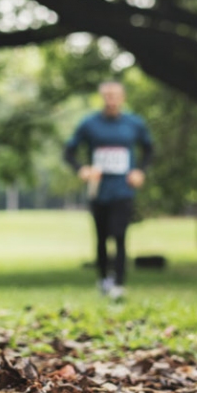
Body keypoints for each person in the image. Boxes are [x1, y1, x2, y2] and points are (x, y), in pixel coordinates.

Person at [64, 80, 153, 300]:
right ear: (102, 97)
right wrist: (82, 169)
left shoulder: (134, 123)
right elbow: (69, 152)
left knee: (120, 235)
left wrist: (140, 171)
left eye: (115, 95)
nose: (111, 99)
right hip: (99, 190)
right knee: (102, 236)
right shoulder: (90, 124)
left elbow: (149, 149)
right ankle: (104, 279)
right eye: (107, 95)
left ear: (122, 97)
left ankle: (120, 282)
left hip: (123, 190)